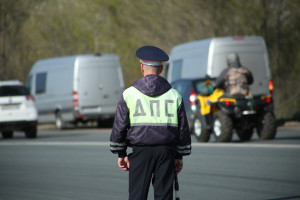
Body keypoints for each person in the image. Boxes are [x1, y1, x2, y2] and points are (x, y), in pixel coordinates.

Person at [110, 46, 191, 200]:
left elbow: (119, 127)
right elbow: (183, 130)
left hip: (140, 153)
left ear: (142, 67)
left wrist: (121, 153)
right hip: (166, 153)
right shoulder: (175, 95)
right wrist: (179, 156)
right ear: (161, 69)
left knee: (137, 196)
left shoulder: (129, 94)